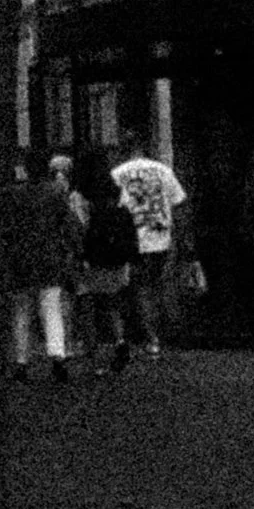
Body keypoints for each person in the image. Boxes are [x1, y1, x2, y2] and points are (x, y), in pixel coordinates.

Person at [3, 151, 82, 383]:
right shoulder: (56, 193)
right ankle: (57, 357)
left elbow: (7, 228)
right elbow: (68, 225)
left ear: (25, 170)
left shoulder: (14, 195)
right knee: (51, 308)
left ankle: (21, 361)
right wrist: (74, 249)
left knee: (22, 310)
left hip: (22, 258)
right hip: (50, 257)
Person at [112, 137, 188, 357]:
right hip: (161, 235)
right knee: (158, 285)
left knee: (139, 288)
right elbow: (179, 202)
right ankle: (165, 332)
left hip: (134, 237)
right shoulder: (162, 170)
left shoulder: (118, 174)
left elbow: (116, 207)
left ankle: (150, 336)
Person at [76, 155, 140, 375]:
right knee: (113, 304)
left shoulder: (94, 212)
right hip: (118, 263)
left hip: (96, 264)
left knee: (89, 306)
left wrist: (83, 258)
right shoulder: (122, 213)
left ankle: (94, 354)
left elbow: (87, 239)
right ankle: (120, 340)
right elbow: (132, 239)